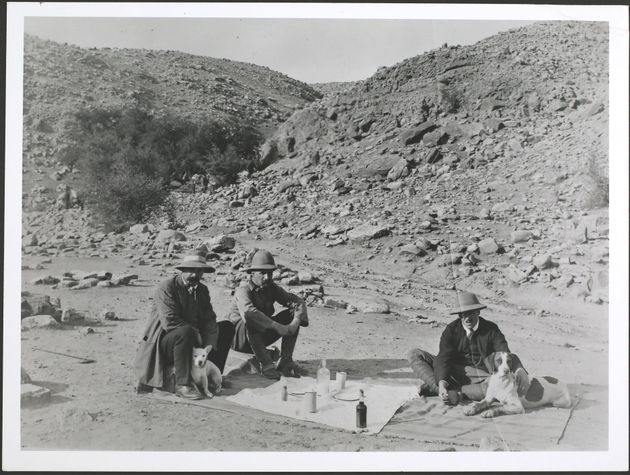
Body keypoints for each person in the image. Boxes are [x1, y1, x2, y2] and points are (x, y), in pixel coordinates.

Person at [133, 249, 234, 400]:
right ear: (182, 270)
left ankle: (212, 375)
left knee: (226, 327)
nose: (195, 275)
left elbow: (209, 318)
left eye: (199, 271)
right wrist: (197, 335)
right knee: (185, 331)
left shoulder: (202, 290)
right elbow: (170, 321)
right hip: (167, 342)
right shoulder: (167, 287)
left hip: (193, 341)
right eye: (191, 270)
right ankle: (183, 384)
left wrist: (209, 344)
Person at [407, 291, 529, 405]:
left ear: (478, 312)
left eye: (470, 313)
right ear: (459, 315)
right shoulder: (451, 330)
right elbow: (444, 358)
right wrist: (442, 383)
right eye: (463, 314)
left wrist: (519, 369)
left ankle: (450, 391)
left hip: (481, 377)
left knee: (495, 387)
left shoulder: (491, 329)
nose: (467, 318)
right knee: (415, 354)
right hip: (453, 372)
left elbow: (504, 354)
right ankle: (441, 390)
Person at [218, 249, 309, 380]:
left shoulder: (271, 288)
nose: (267, 277)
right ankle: (266, 365)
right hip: (239, 339)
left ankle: (286, 361)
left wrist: (294, 323)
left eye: (270, 273)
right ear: (252, 273)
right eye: (263, 273)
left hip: (259, 337)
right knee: (252, 318)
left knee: (291, 313)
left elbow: (297, 301)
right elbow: (249, 314)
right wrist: (277, 326)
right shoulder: (243, 291)